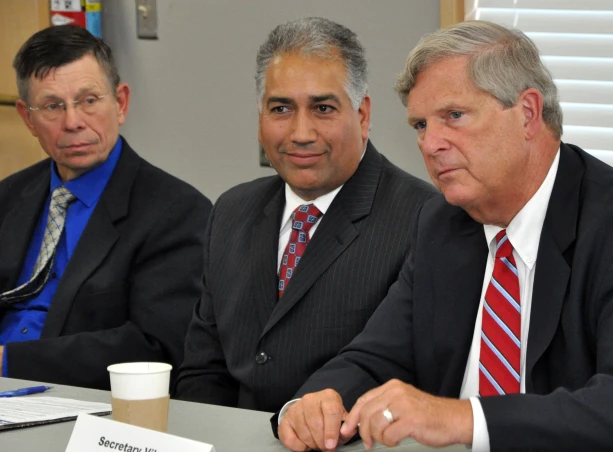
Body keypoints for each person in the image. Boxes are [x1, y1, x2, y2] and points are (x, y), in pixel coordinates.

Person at [277, 21, 613, 452]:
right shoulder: (442, 224)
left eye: (454, 116)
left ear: (528, 113)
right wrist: (319, 399)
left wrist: (462, 419)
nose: (430, 144)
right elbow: (377, 356)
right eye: (420, 124)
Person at [173, 17, 436, 412]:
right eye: (281, 108)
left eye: (323, 108)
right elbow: (203, 371)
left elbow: (410, 379)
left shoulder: (423, 218)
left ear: (362, 115)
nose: (300, 132)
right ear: (260, 118)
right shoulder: (231, 211)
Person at [0, 25, 211, 389]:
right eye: (52, 106)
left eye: (89, 100)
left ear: (121, 103)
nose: (73, 122)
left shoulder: (176, 211)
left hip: (77, 404)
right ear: (27, 118)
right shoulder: (9, 195)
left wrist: (9, 362)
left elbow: (155, 348)